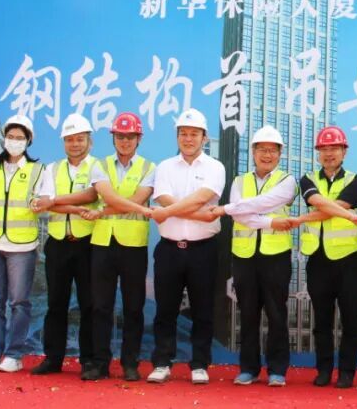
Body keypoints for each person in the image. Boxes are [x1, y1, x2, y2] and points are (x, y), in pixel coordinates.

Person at [41, 112, 159, 381]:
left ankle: (130, 363)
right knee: (100, 306)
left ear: (139, 138)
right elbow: (109, 196)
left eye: (130, 136)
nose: (125, 141)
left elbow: (137, 199)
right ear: (113, 138)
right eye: (120, 136)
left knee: (133, 307)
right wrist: (130, 208)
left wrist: (104, 211)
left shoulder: (149, 168)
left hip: (133, 244)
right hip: (102, 243)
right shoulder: (100, 165)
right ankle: (100, 363)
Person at [205, 126, 297, 387]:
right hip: (244, 256)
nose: (267, 155)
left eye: (272, 150)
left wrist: (228, 208)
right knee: (247, 314)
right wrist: (269, 222)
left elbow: (260, 204)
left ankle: (277, 369)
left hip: (276, 255)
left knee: (277, 313)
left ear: (280, 154)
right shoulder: (239, 181)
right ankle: (248, 368)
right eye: (262, 149)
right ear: (253, 152)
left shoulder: (287, 181)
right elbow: (241, 215)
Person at [145, 108, 225, 385]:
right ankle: (162, 362)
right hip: (169, 249)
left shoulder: (215, 167)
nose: (188, 139)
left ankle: (199, 364)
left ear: (204, 137)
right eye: (183, 134)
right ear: (177, 136)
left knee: (203, 309)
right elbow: (164, 198)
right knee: (165, 310)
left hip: (203, 250)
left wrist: (168, 213)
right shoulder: (165, 167)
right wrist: (198, 214)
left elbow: (202, 197)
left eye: (194, 134)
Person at [294, 125, 357, 389]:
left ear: (344, 152)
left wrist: (302, 218)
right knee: (322, 319)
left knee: (351, 318)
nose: (329, 154)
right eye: (324, 149)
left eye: (334, 148)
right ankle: (324, 370)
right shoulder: (307, 179)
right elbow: (317, 201)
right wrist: (327, 210)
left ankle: (347, 372)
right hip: (317, 258)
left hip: (349, 258)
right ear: (318, 152)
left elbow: (338, 207)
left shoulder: (355, 180)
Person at [27, 113, 99, 377]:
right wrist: (71, 206)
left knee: (89, 304)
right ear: (63, 142)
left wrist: (56, 200)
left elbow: (91, 195)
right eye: (69, 139)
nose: (75, 144)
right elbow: (43, 203)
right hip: (57, 243)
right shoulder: (52, 169)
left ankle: (88, 360)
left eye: (80, 139)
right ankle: (53, 358)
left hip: (88, 243)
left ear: (89, 141)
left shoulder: (97, 167)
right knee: (56, 303)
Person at [0, 114, 44, 374]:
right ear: (4, 138)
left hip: (22, 246)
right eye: (10, 136)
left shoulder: (37, 170)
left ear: (28, 141)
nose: (14, 141)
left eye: (20, 137)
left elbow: (43, 203)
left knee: (19, 302)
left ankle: (14, 354)